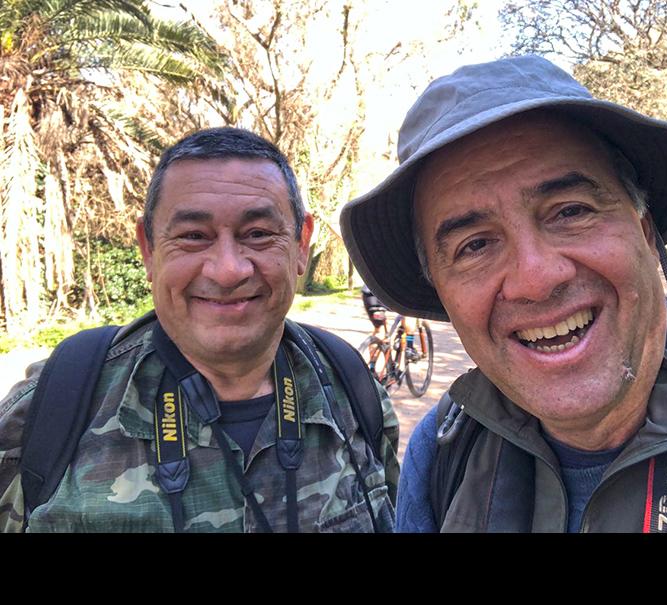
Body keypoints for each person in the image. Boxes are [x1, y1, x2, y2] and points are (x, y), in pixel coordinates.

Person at [340, 55, 667, 532]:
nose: (536, 279)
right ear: (443, 291)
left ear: (645, 233)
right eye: (474, 245)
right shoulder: (443, 450)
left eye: (570, 211)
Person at [0, 127, 399, 532]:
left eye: (258, 234)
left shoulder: (354, 392)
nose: (228, 270)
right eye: (193, 236)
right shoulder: (47, 412)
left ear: (300, 245)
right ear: (149, 249)